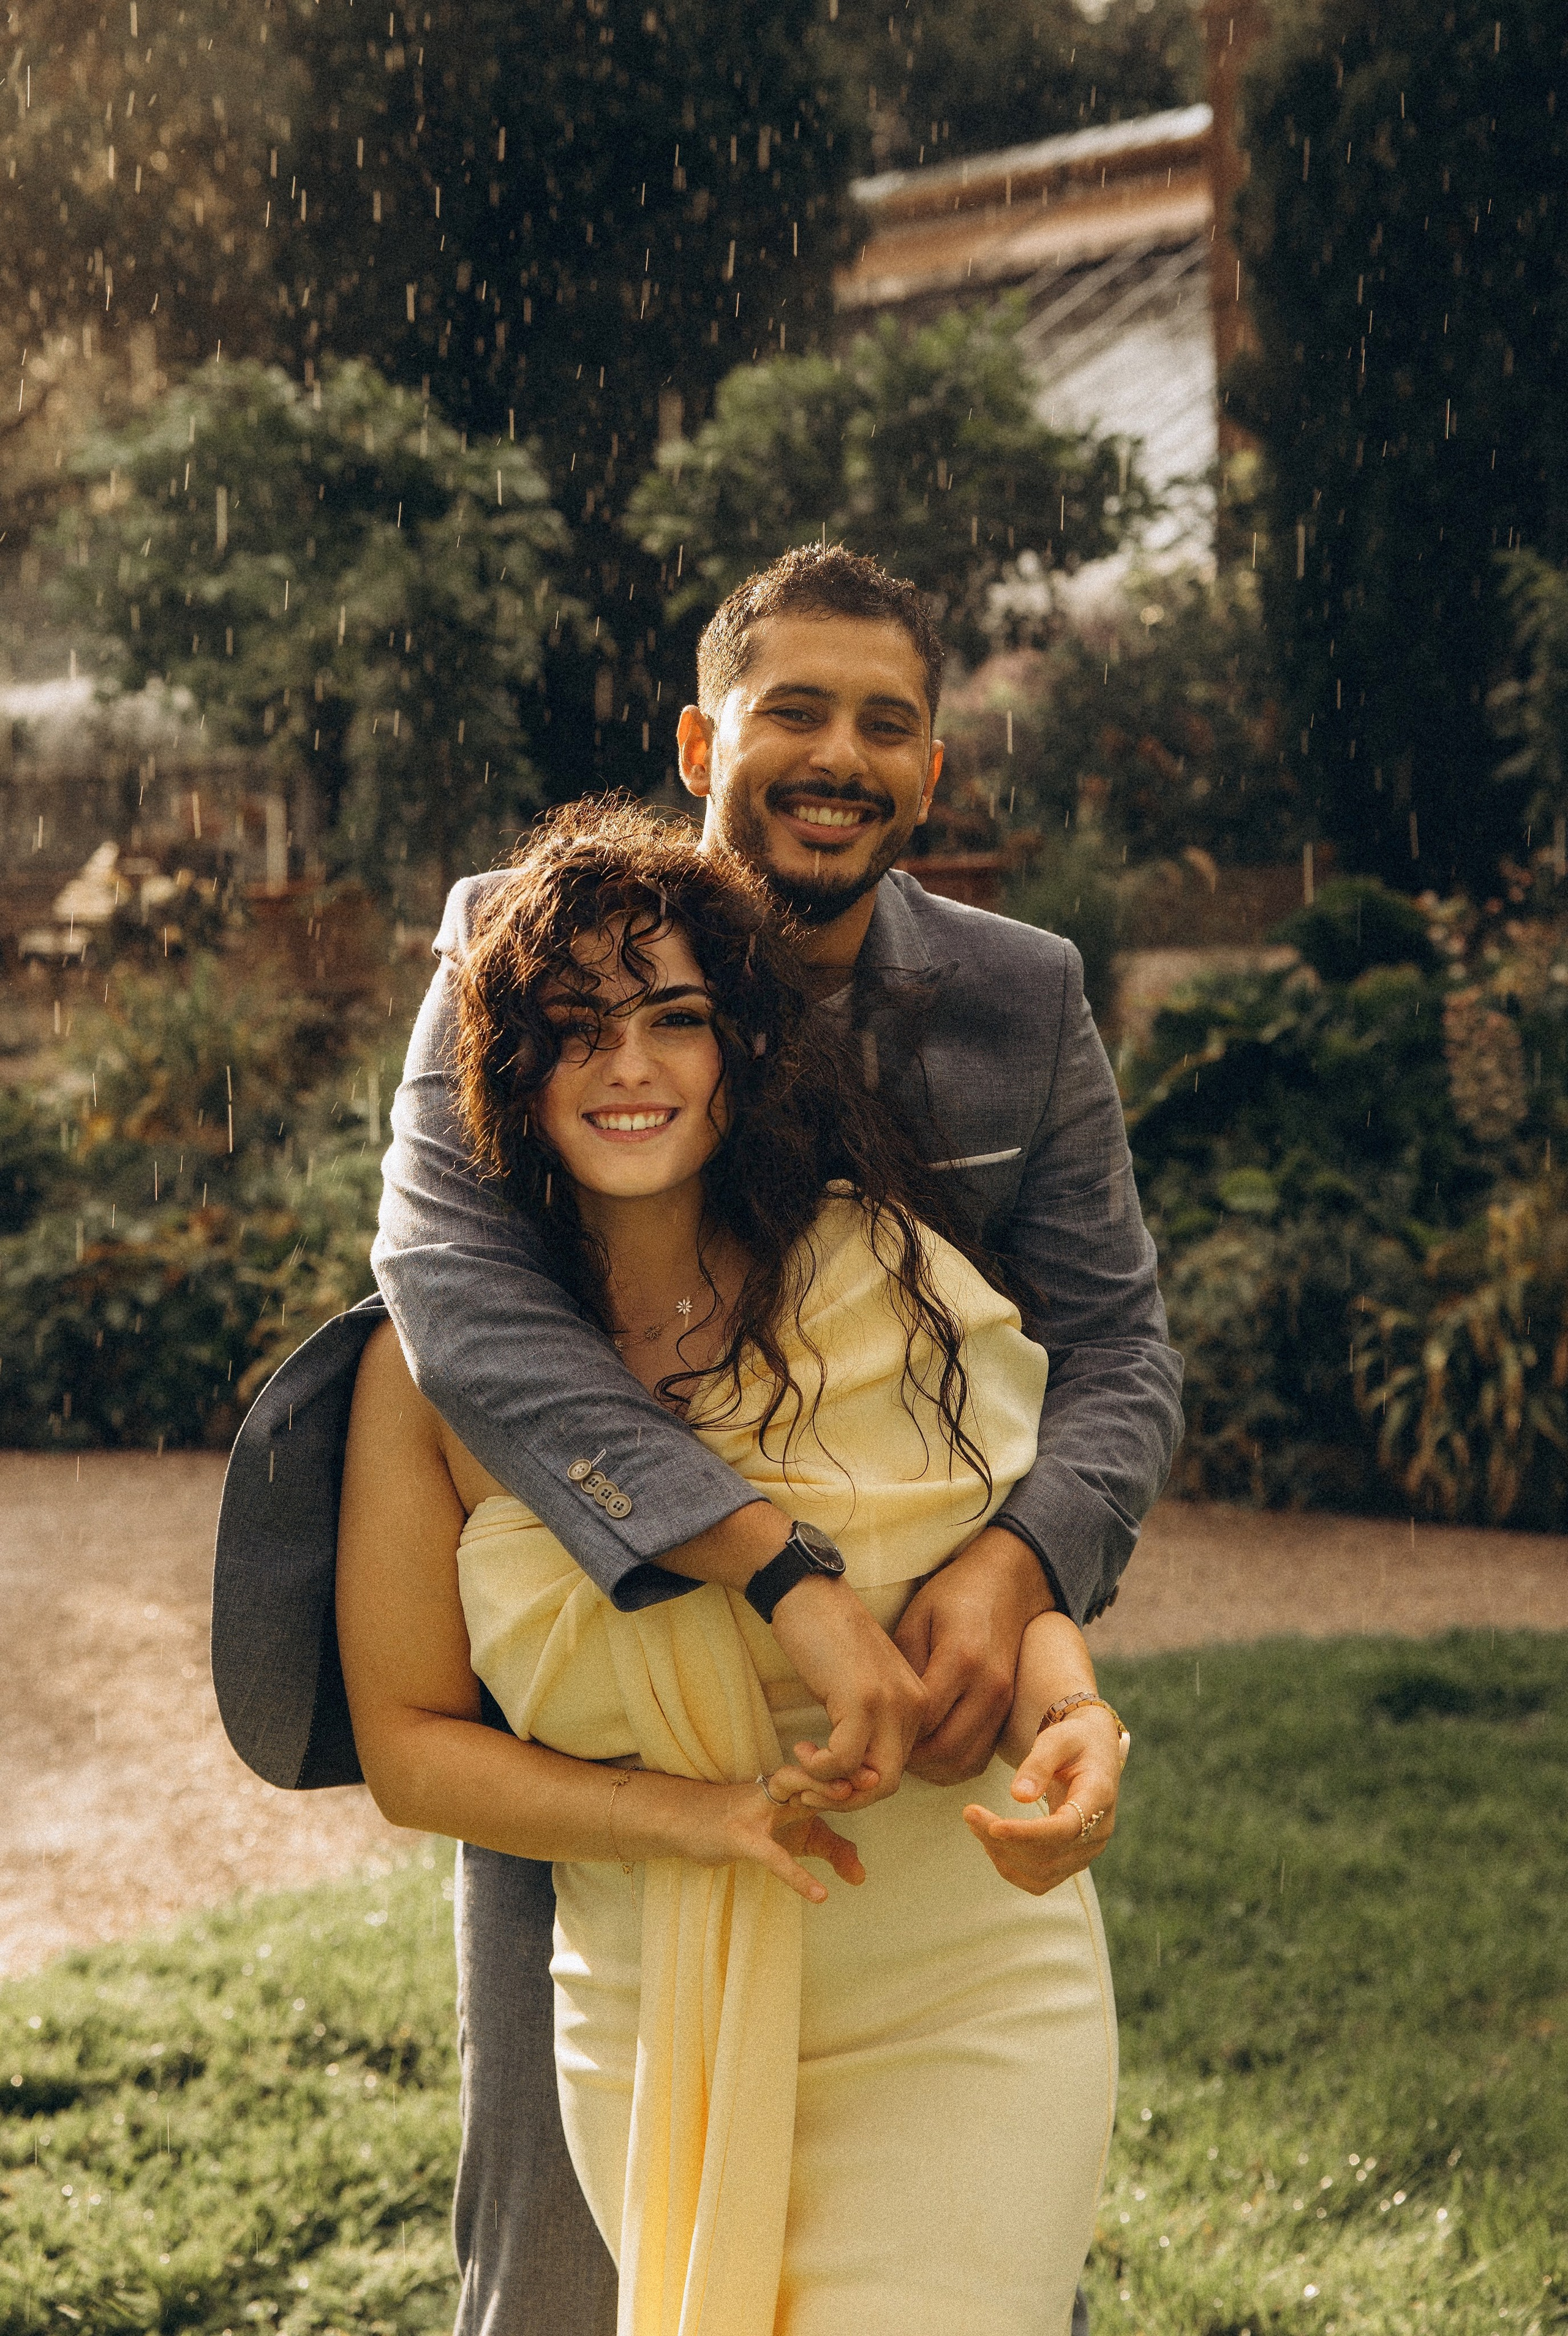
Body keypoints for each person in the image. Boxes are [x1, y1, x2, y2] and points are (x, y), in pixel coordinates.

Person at [211, 544, 1184, 2335]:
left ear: (932, 770)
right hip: (597, 1720)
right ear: (697, 742)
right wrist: (767, 1566)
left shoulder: (1018, 998)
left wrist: (1016, 1565)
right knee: (567, 2271)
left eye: (884, 723)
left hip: (926, 1804)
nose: (837, 755)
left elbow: (1116, 1349)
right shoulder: (517, 940)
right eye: (791, 709)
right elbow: (454, 1293)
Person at [336, 801, 1130, 2335]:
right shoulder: (428, 1380)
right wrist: (700, 1820)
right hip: (650, 1994)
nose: (627, 1064)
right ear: (502, 1069)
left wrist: (1074, 1715)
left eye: (673, 1019)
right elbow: (410, 1749)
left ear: (739, 1048)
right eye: (573, 1027)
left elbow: (989, 1570)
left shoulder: (872, 1276)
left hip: (957, 1981)